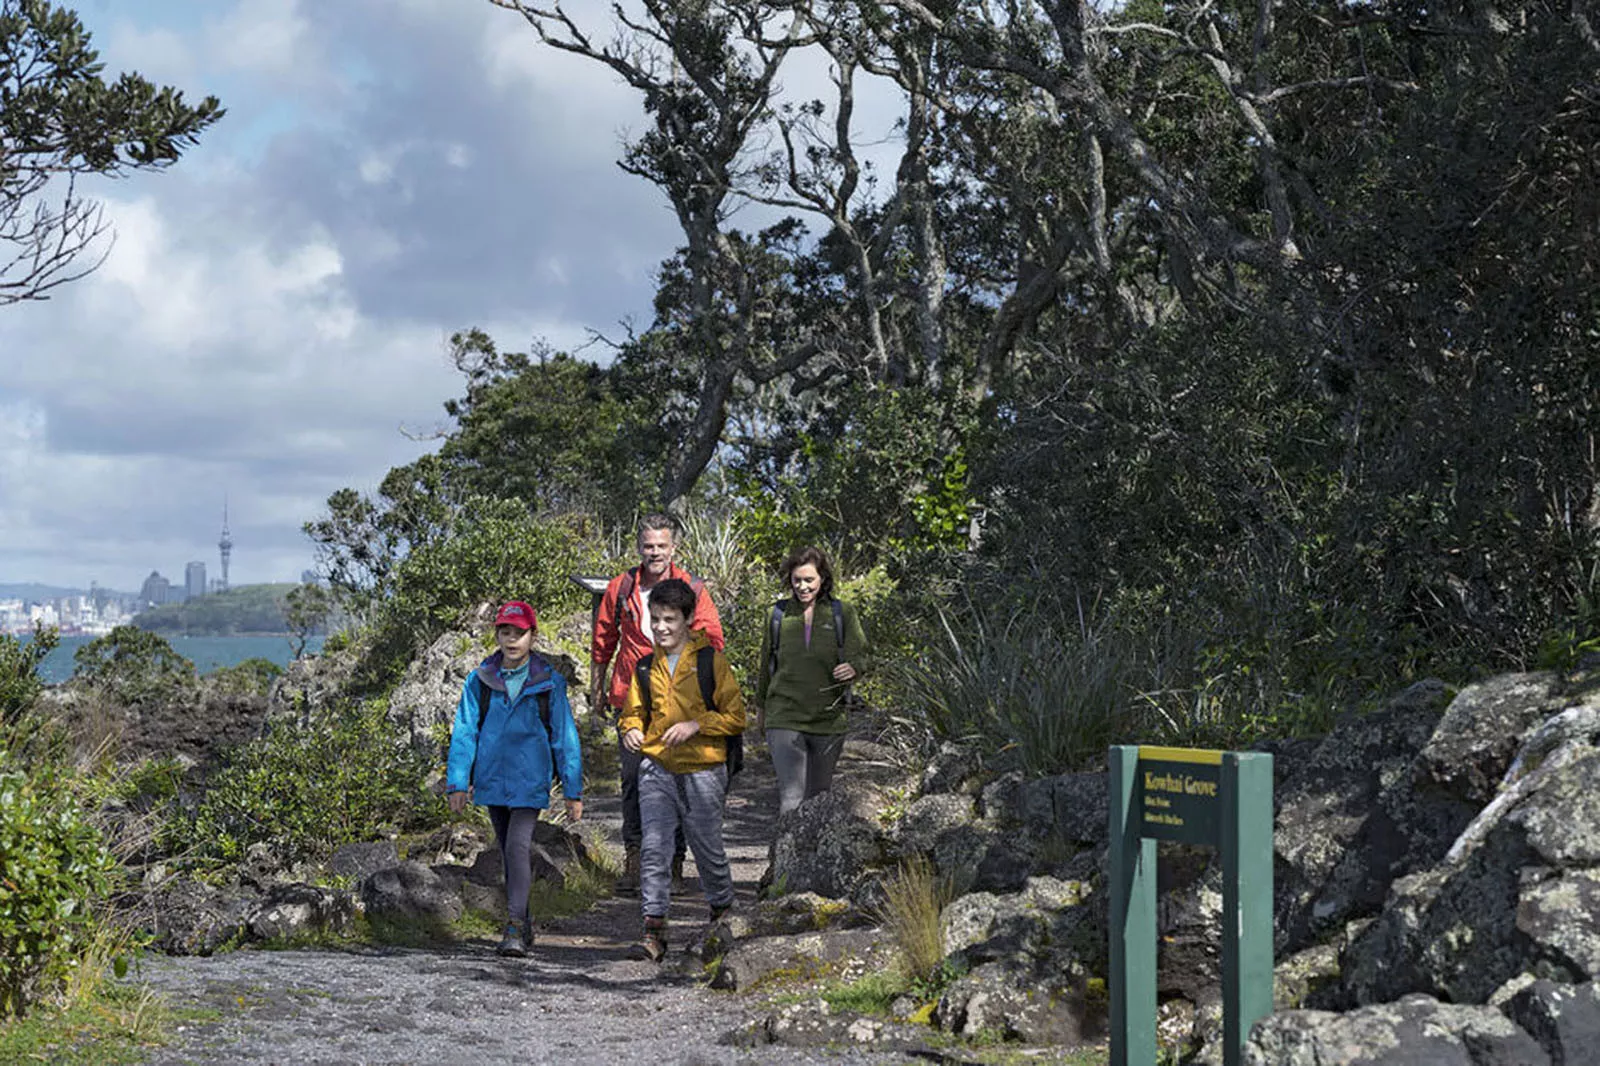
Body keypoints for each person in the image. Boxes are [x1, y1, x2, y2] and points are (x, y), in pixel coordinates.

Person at [590, 513, 725, 894]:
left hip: (679, 702)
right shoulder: (621, 587)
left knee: (677, 780)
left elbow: (714, 639)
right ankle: (635, 860)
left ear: (674, 548)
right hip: (631, 701)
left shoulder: (692, 588)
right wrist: (597, 690)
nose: (655, 552)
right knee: (633, 780)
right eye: (648, 545)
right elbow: (603, 642)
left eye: (661, 546)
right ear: (639, 547)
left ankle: (673, 864)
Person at [616, 578, 745, 961]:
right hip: (656, 768)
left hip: (704, 768)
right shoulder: (644, 666)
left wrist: (696, 725)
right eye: (655, 619)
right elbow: (632, 713)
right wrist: (631, 730)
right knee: (654, 849)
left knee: (708, 850)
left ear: (689, 618)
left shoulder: (711, 662)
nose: (661, 628)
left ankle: (724, 916)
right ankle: (653, 933)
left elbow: (736, 716)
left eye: (669, 619)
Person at [446, 600, 583, 958]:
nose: (512, 639)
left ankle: (514, 926)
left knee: (518, 846)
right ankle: (525, 920)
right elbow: (465, 732)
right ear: (497, 634)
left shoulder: (550, 683)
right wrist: (458, 783)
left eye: (519, 633)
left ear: (532, 636)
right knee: (508, 852)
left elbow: (564, 737)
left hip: (530, 780)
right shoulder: (480, 681)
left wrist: (573, 790)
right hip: (492, 780)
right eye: (505, 631)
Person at [754, 546, 869, 816]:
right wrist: (761, 709)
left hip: (828, 719)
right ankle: (784, 857)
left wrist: (854, 668)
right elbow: (765, 667)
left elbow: (863, 656)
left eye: (809, 580)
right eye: (797, 580)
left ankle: (810, 859)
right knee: (792, 798)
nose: (802, 586)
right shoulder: (777, 615)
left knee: (818, 801)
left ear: (822, 579)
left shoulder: (843, 614)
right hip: (784, 716)